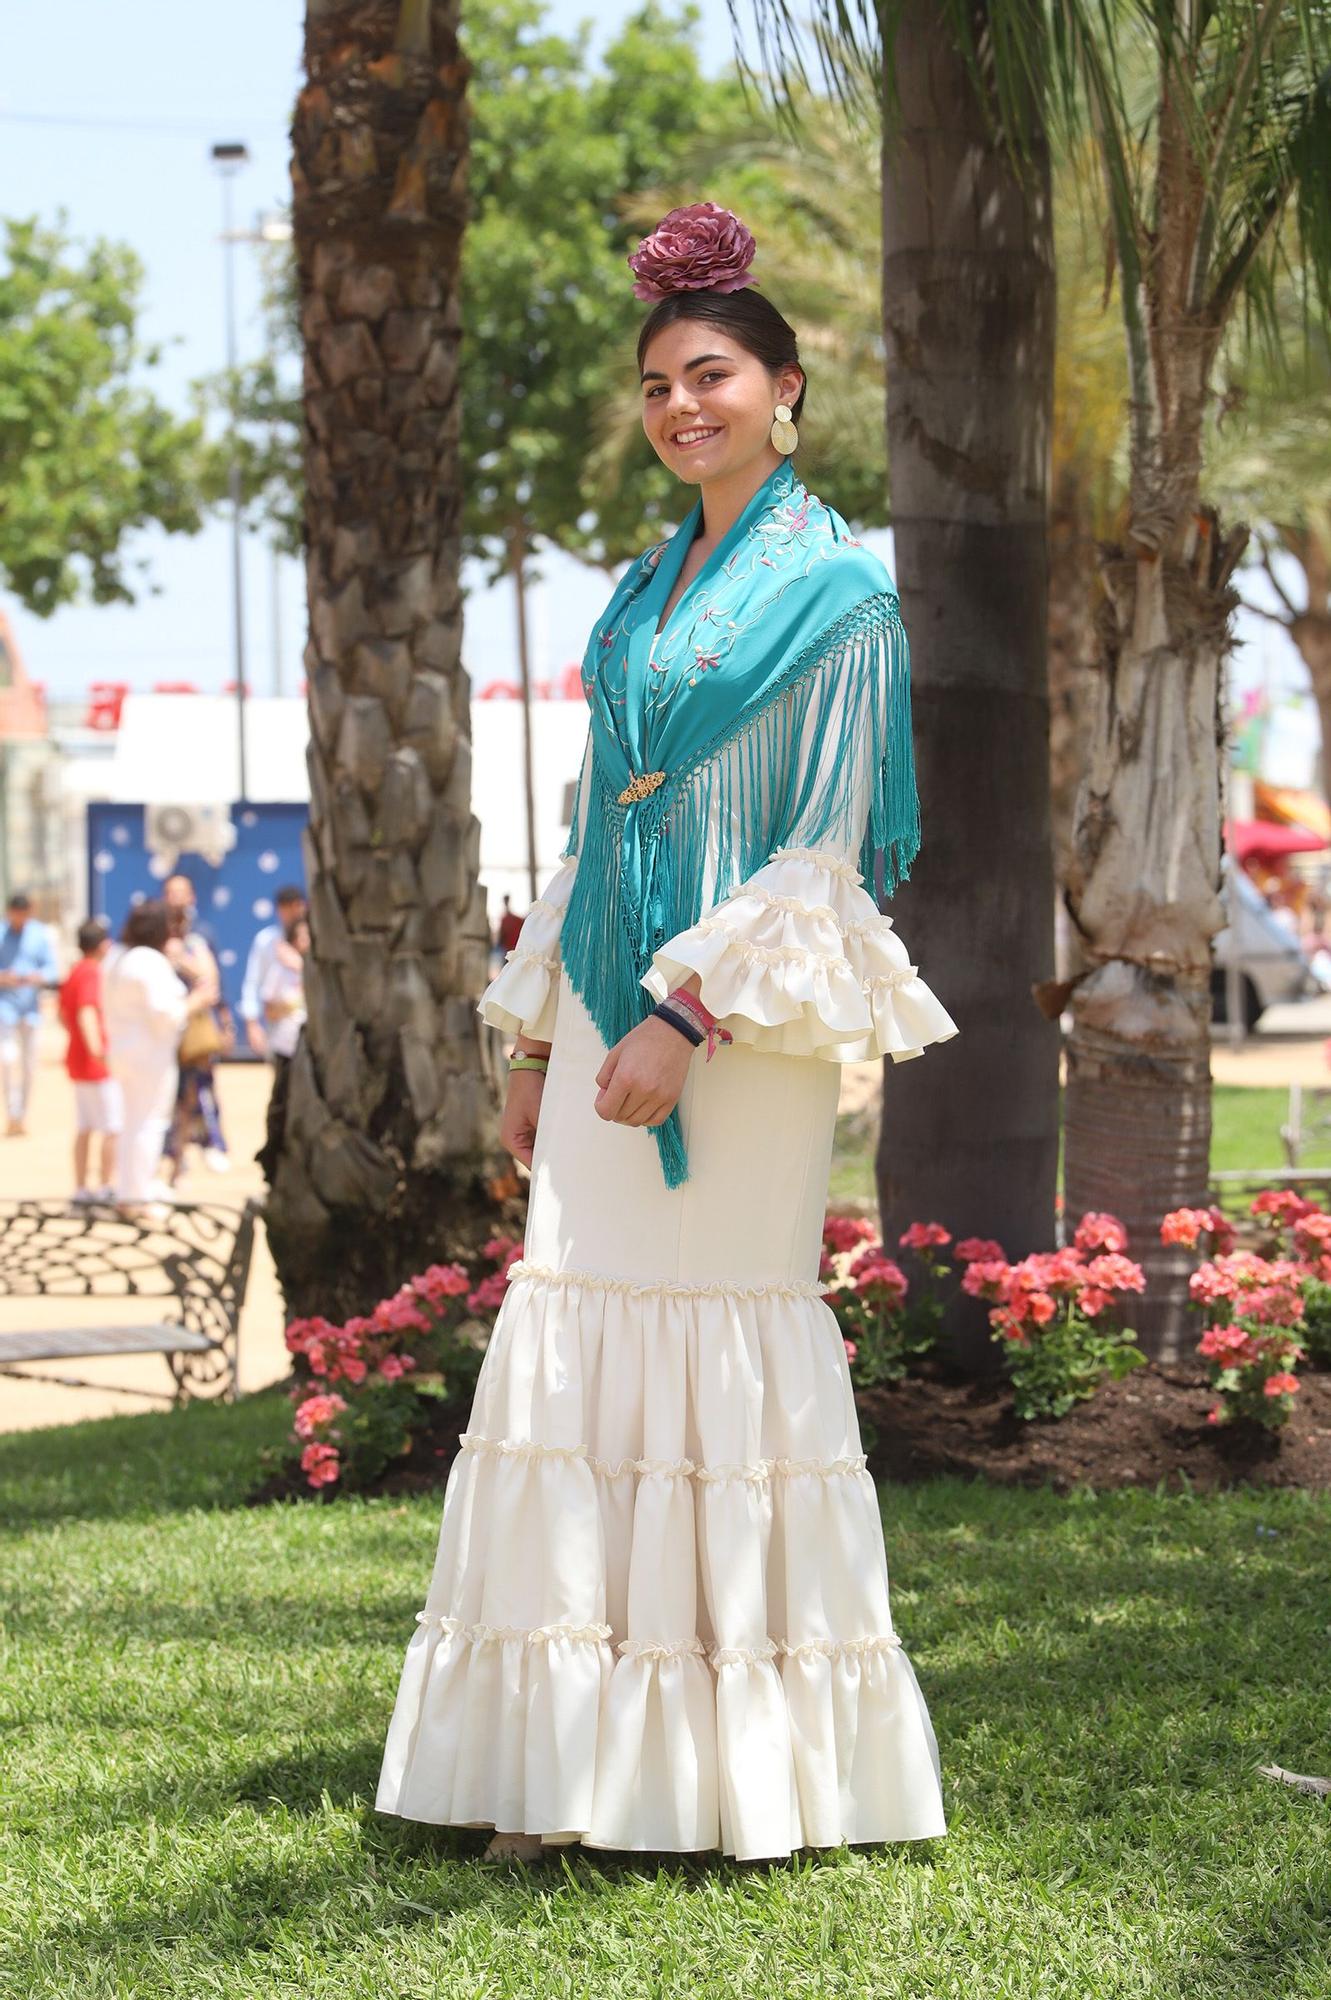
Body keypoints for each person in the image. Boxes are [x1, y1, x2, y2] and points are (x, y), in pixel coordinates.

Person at [376, 205, 960, 1865]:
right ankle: (571, 1764)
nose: (679, 404)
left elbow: (825, 844)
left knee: (714, 1349)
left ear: (787, 390)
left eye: (711, 374)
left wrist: (681, 1018)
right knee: (576, 1347)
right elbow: (597, 823)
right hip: (602, 1010)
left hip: (737, 1022)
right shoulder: (641, 589)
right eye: (656, 383)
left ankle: (733, 1766)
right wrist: (547, 1042)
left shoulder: (843, 589)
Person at [102, 900, 217, 1213]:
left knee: (132, 1124)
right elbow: (166, 1014)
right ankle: (139, 1196)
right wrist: (197, 999)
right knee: (149, 1123)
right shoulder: (149, 961)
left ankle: (132, 1190)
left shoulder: (117, 956)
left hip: (122, 1052)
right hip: (148, 1056)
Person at [161, 901, 231, 1185]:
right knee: (171, 1101)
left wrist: (183, 962)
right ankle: (175, 1159)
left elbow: (211, 982)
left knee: (199, 1092)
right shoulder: (154, 950)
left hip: (194, 1034)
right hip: (166, 1036)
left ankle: (211, 1145)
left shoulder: (197, 945)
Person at [58, 917, 121, 1202]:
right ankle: (107, 1186)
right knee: (112, 1128)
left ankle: (81, 1188)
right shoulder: (91, 973)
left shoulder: (73, 972)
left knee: (84, 1127)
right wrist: (99, 1052)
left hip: (77, 1061)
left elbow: (64, 1015)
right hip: (95, 1065)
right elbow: (86, 1013)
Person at [254, 913, 309, 1181]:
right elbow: (270, 1009)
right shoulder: (280, 969)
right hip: (286, 1045)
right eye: (302, 935)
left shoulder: (313, 967)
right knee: (281, 1102)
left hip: (311, 1045)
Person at [0, 890, 58, 1137]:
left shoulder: (39, 934)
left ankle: (21, 1114)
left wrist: (36, 977)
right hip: (5, 1007)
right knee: (7, 1059)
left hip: (31, 1008)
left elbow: (52, 969)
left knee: (30, 1065)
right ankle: (12, 1111)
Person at [239, 886, 307, 1057]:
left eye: (296, 906)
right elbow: (253, 982)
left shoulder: (316, 937)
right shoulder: (267, 940)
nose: (292, 912)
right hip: (279, 1028)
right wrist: (252, 1023)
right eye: (286, 907)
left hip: (311, 1024)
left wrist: (298, 963)